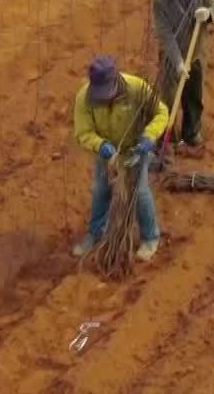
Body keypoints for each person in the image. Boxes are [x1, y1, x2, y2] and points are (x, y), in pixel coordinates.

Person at [71, 56, 170, 261]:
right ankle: (97, 233)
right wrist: (101, 146)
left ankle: (150, 238)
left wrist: (149, 137)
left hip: (135, 149)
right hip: (108, 152)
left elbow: (162, 112)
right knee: (101, 189)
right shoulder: (85, 99)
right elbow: (83, 133)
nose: (104, 98)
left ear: (116, 80)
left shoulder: (136, 88)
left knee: (140, 190)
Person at [153, 0, 214, 152]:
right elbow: (165, 35)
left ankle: (191, 132)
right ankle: (167, 138)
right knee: (168, 99)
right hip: (172, 55)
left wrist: (209, 14)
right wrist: (178, 62)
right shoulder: (161, 0)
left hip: (196, 51)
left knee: (194, 94)